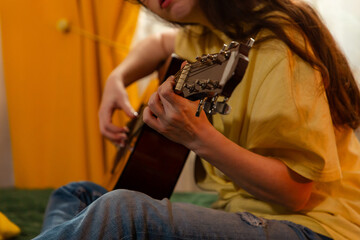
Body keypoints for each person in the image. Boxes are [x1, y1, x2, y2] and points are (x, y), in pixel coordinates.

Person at [34, 0, 360, 239]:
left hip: (312, 227)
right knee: (76, 194)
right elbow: (159, 44)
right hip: (242, 213)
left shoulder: (279, 44)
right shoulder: (207, 34)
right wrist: (116, 79)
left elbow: (294, 194)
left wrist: (196, 136)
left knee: (120, 211)